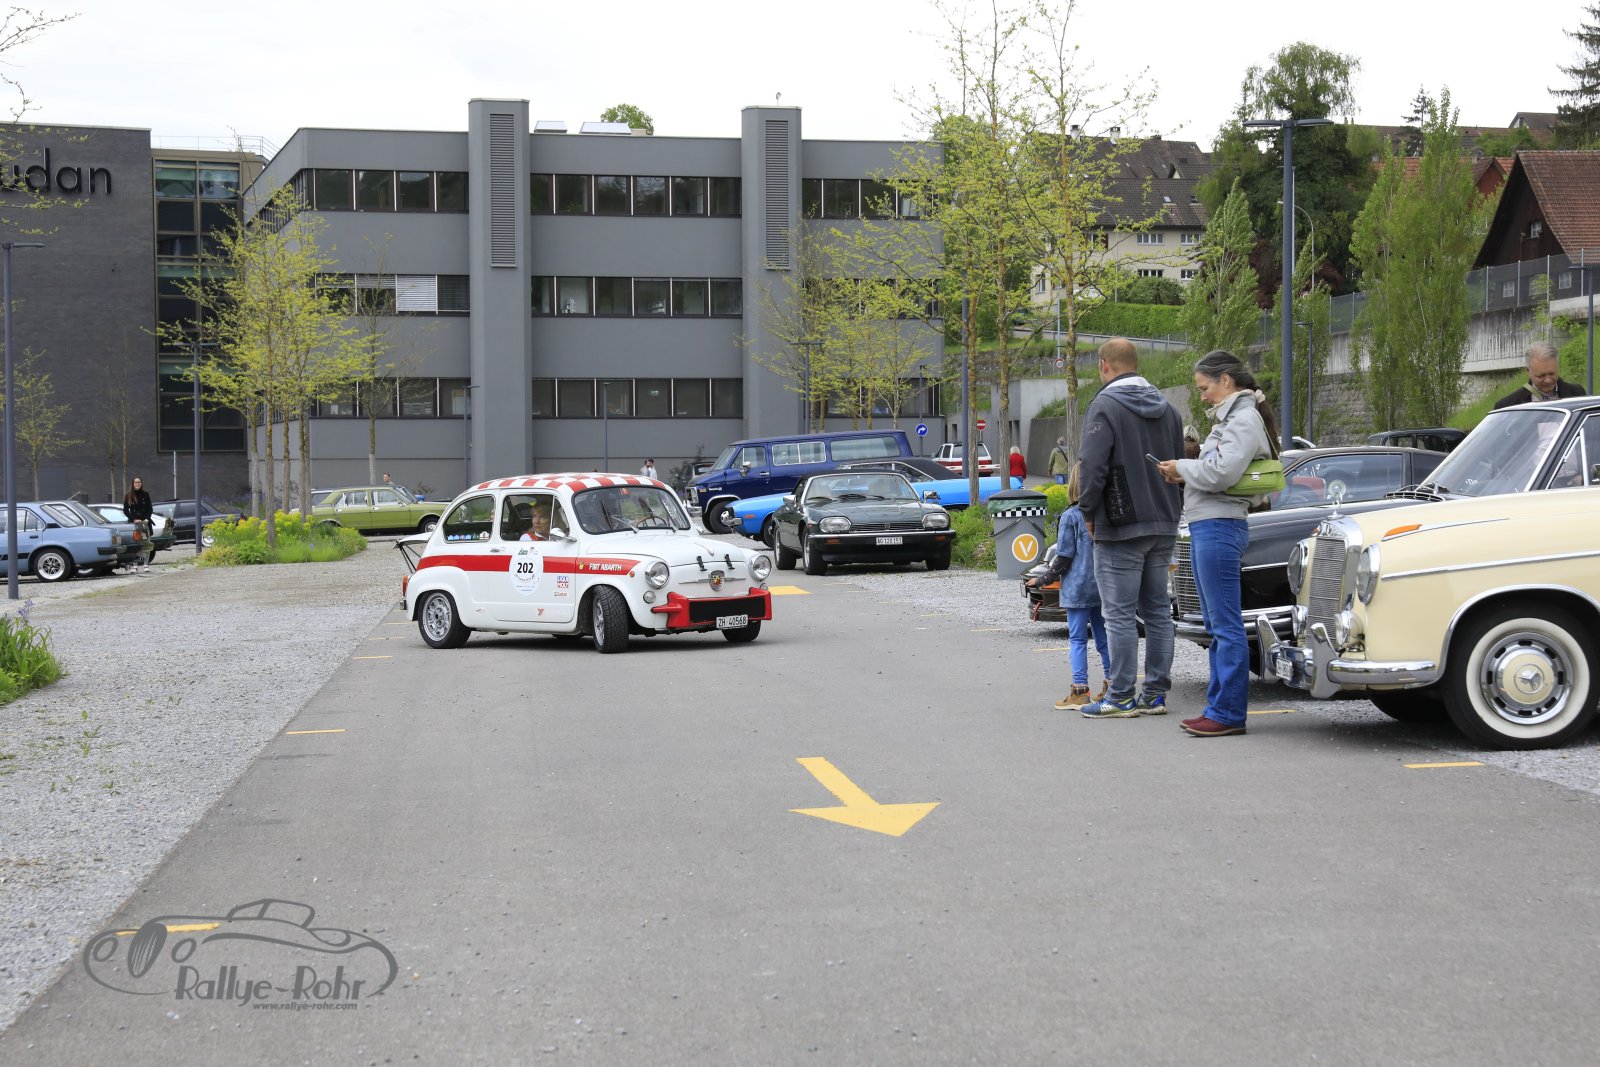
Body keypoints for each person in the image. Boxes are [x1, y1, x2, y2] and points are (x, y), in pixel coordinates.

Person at [1155, 350, 1279, 738]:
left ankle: (1227, 713)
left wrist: (1183, 467)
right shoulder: (1234, 419)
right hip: (1211, 524)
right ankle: (1218, 707)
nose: (1203, 395)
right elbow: (1217, 471)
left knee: (1224, 624)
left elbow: (1222, 472)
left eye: (1204, 387)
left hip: (1219, 525)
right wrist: (1186, 473)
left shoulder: (1242, 420)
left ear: (1226, 380)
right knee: (1216, 623)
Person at [1074, 337, 1184, 720]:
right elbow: (1180, 466)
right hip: (1164, 521)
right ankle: (1155, 695)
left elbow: (1092, 466)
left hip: (1120, 525)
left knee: (1119, 614)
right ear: (1136, 364)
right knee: (1157, 611)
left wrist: (1088, 511)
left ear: (1104, 365)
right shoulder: (1169, 409)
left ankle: (1120, 696)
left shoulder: (1104, 406)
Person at [1027, 463, 1109, 710]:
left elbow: (1064, 556)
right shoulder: (1105, 512)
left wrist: (1043, 579)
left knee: (1078, 639)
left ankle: (1080, 690)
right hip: (1103, 586)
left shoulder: (1071, 516)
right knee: (1104, 637)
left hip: (1077, 588)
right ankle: (1113, 685)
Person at [1492, 340, 1585, 410]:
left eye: (1552, 373)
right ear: (1528, 371)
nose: (1548, 380)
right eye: (1541, 376)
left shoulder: (1577, 393)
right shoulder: (1507, 406)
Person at [123, 475, 155, 574]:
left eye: (139, 482)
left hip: (144, 524)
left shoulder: (145, 494)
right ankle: (134, 565)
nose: (137, 484)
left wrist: (144, 518)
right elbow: (125, 510)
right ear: (133, 484)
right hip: (134, 524)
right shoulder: (128, 495)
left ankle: (146, 564)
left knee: (146, 544)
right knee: (136, 545)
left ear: (141, 484)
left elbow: (150, 509)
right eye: (135, 482)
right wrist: (134, 519)